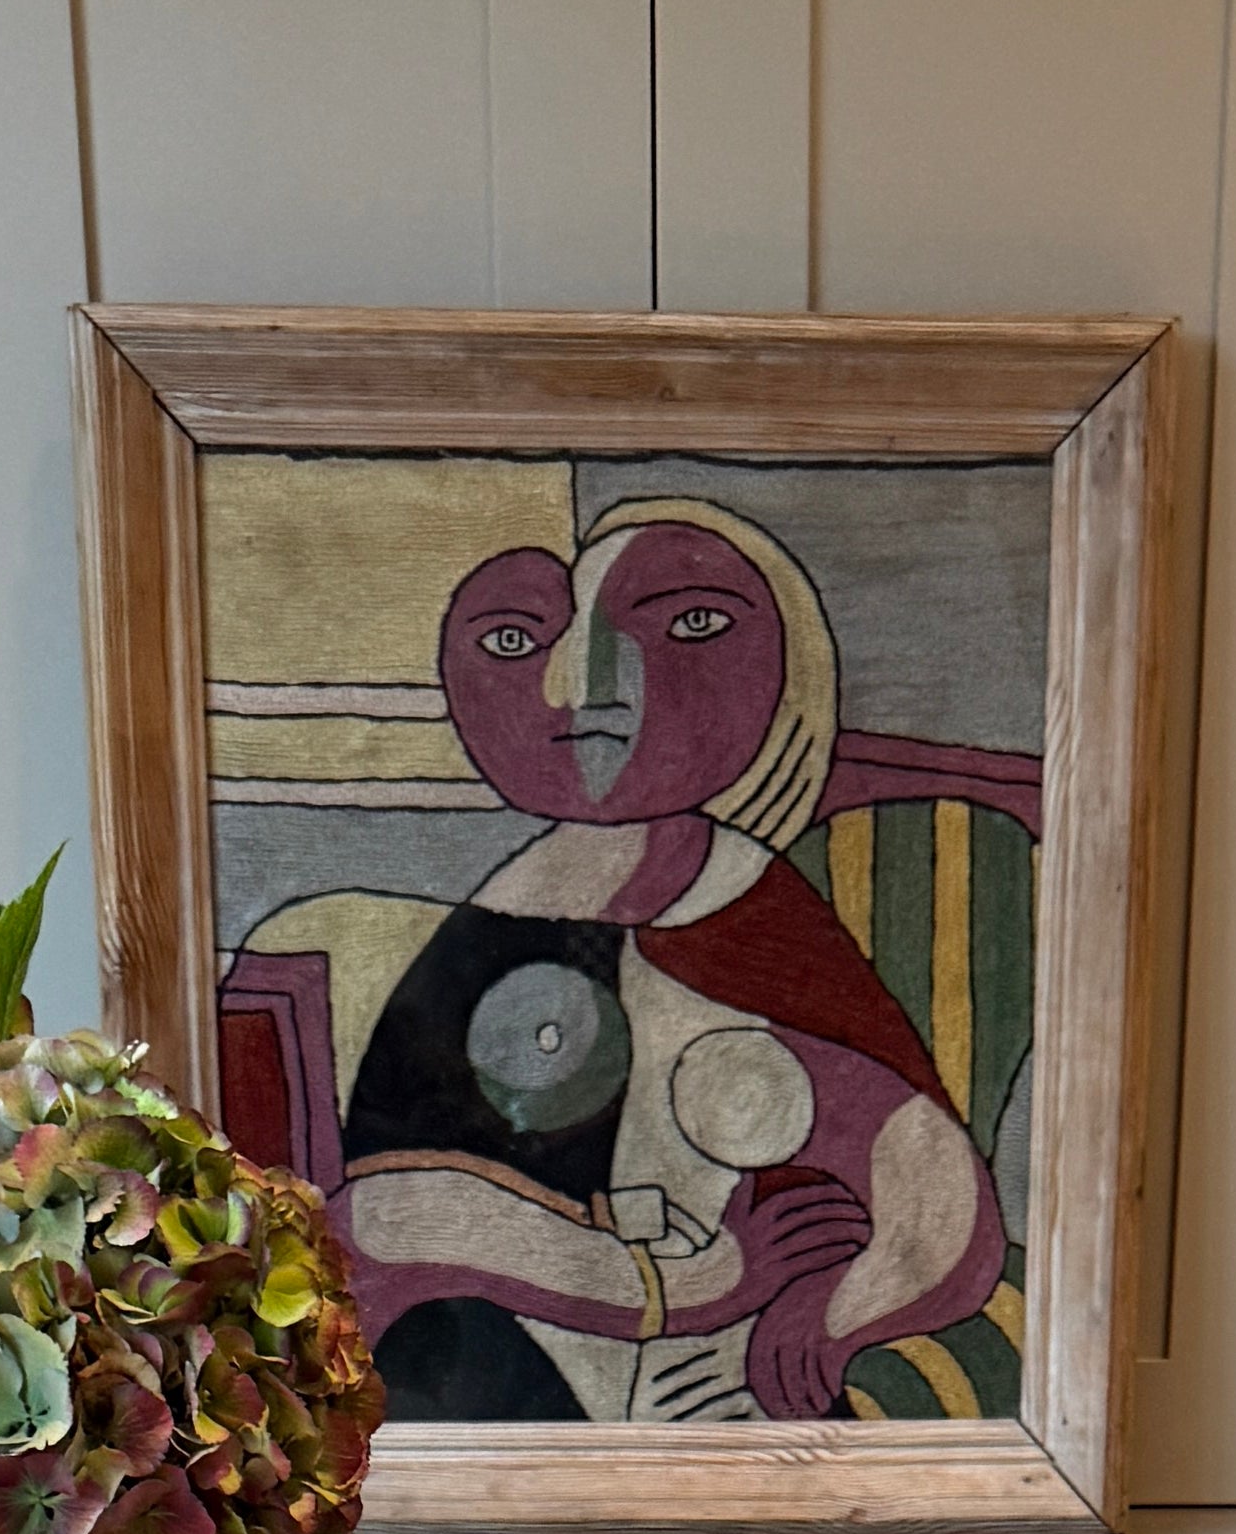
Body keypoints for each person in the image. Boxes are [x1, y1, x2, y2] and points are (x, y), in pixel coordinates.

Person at [253, 501, 1006, 1425]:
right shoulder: (472, 928)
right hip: (488, 1387)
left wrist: (836, 1313)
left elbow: (933, 1190)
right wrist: (688, 1284)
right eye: (514, 640)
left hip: (703, 1410)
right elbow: (389, 1219)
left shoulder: (750, 918)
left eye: (691, 625)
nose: (583, 686)